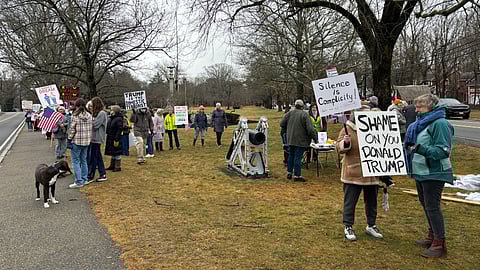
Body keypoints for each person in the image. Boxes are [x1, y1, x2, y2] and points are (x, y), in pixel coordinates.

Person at [404, 94, 453, 258]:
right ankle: (432, 237)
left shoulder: (440, 124)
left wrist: (420, 149)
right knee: (426, 205)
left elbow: (443, 151)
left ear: (431, 107)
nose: (416, 110)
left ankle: (440, 243)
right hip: (421, 172)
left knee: (432, 206)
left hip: (434, 172)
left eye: (420, 107)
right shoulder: (419, 124)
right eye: (416, 106)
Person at [336, 105, 383, 241]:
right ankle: (348, 226)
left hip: (372, 172)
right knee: (350, 202)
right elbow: (339, 148)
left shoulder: (376, 129)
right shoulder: (347, 129)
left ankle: (371, 225)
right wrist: (345, 143)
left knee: (372, 201)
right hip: (353, 173)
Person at [279, 99, 317, 182]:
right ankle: (297, 176)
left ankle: (289, 172)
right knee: (297, 157)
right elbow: (310, 129)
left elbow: (281, 123)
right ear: (302, 106)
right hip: (301, 140)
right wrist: (315, 139)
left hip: (290, 139)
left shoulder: (289, 113)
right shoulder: (305, 115)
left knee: (291, 155)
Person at [68, 98, 92, 188]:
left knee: (75, 161)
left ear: (76, 106)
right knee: (83, 160)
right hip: (86, 141)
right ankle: (84, 179)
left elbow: (72, 130)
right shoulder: (89, 115)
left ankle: (79, 181)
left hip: (77, 141)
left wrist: (69, 139)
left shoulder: (75, 116)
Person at [87, 97, 108, 182]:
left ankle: (91, 175)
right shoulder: (96, 114)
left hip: (97, 138)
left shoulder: (102, 113)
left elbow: (95, 125)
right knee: (97, 156)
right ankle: (102, 173)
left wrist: (89, 120)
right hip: (93, 138)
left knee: (94, 157)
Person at [105, 105, 124, 172]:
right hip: (110, 137)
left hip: (116, 138)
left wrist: (116, 139)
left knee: (117, 152)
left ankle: (117, 166)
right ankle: (112, 165)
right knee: (113, 152)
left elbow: (119, 129)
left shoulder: (119, 119)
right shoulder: (111, 118)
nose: (110, 111)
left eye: (111, 110)